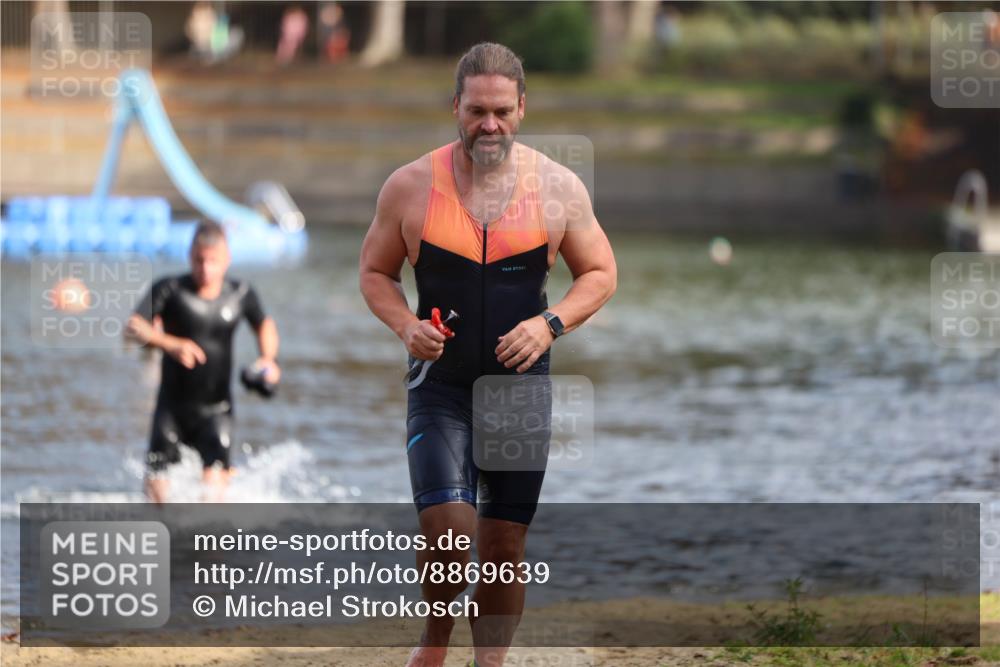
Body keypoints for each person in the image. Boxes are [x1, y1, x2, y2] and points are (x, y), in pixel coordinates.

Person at [359, 42, 617, 667]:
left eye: (502, 110)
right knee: (450, 534)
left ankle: (490, 663)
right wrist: (404, 326)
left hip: (518, 391)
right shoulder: (410, 186)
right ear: (456, 107)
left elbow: (601, 273)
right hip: (440, 386)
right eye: (477, 110)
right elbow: (374, 273)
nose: (489, 125)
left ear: (522, 109)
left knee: (503, 545)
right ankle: (435, 644)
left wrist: (549, 324)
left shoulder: (558, 188)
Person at [125, 221, 280, 504]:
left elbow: (264, 325)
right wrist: (170, 344)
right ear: (189, 255)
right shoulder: (169, 290)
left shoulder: (241, 293)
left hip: (217, 411)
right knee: (157, 502)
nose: (205, 269)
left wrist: (268, 359)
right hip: (171, 409)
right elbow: (133, 327)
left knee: (211, 505)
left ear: (227, 259)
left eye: (213, 261)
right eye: (199, 260)